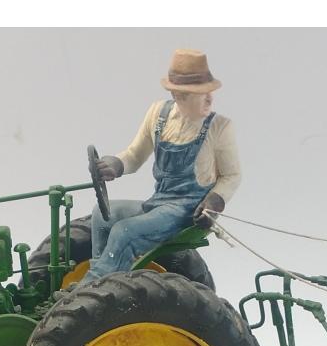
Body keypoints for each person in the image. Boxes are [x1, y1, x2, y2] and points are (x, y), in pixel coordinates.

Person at [83, 49, 241, 283]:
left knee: (125, 232)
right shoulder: (158, 115)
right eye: (201, 93)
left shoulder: (219, 127)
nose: (210, 98)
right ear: (178, 95)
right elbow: (134, 155)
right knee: (102, 215)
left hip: (187, 210)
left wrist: (215, 201)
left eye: (210, 91)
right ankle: (104, 276)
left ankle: (93, 286)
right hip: (159, 203)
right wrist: (114, 164)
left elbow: (232, 175)